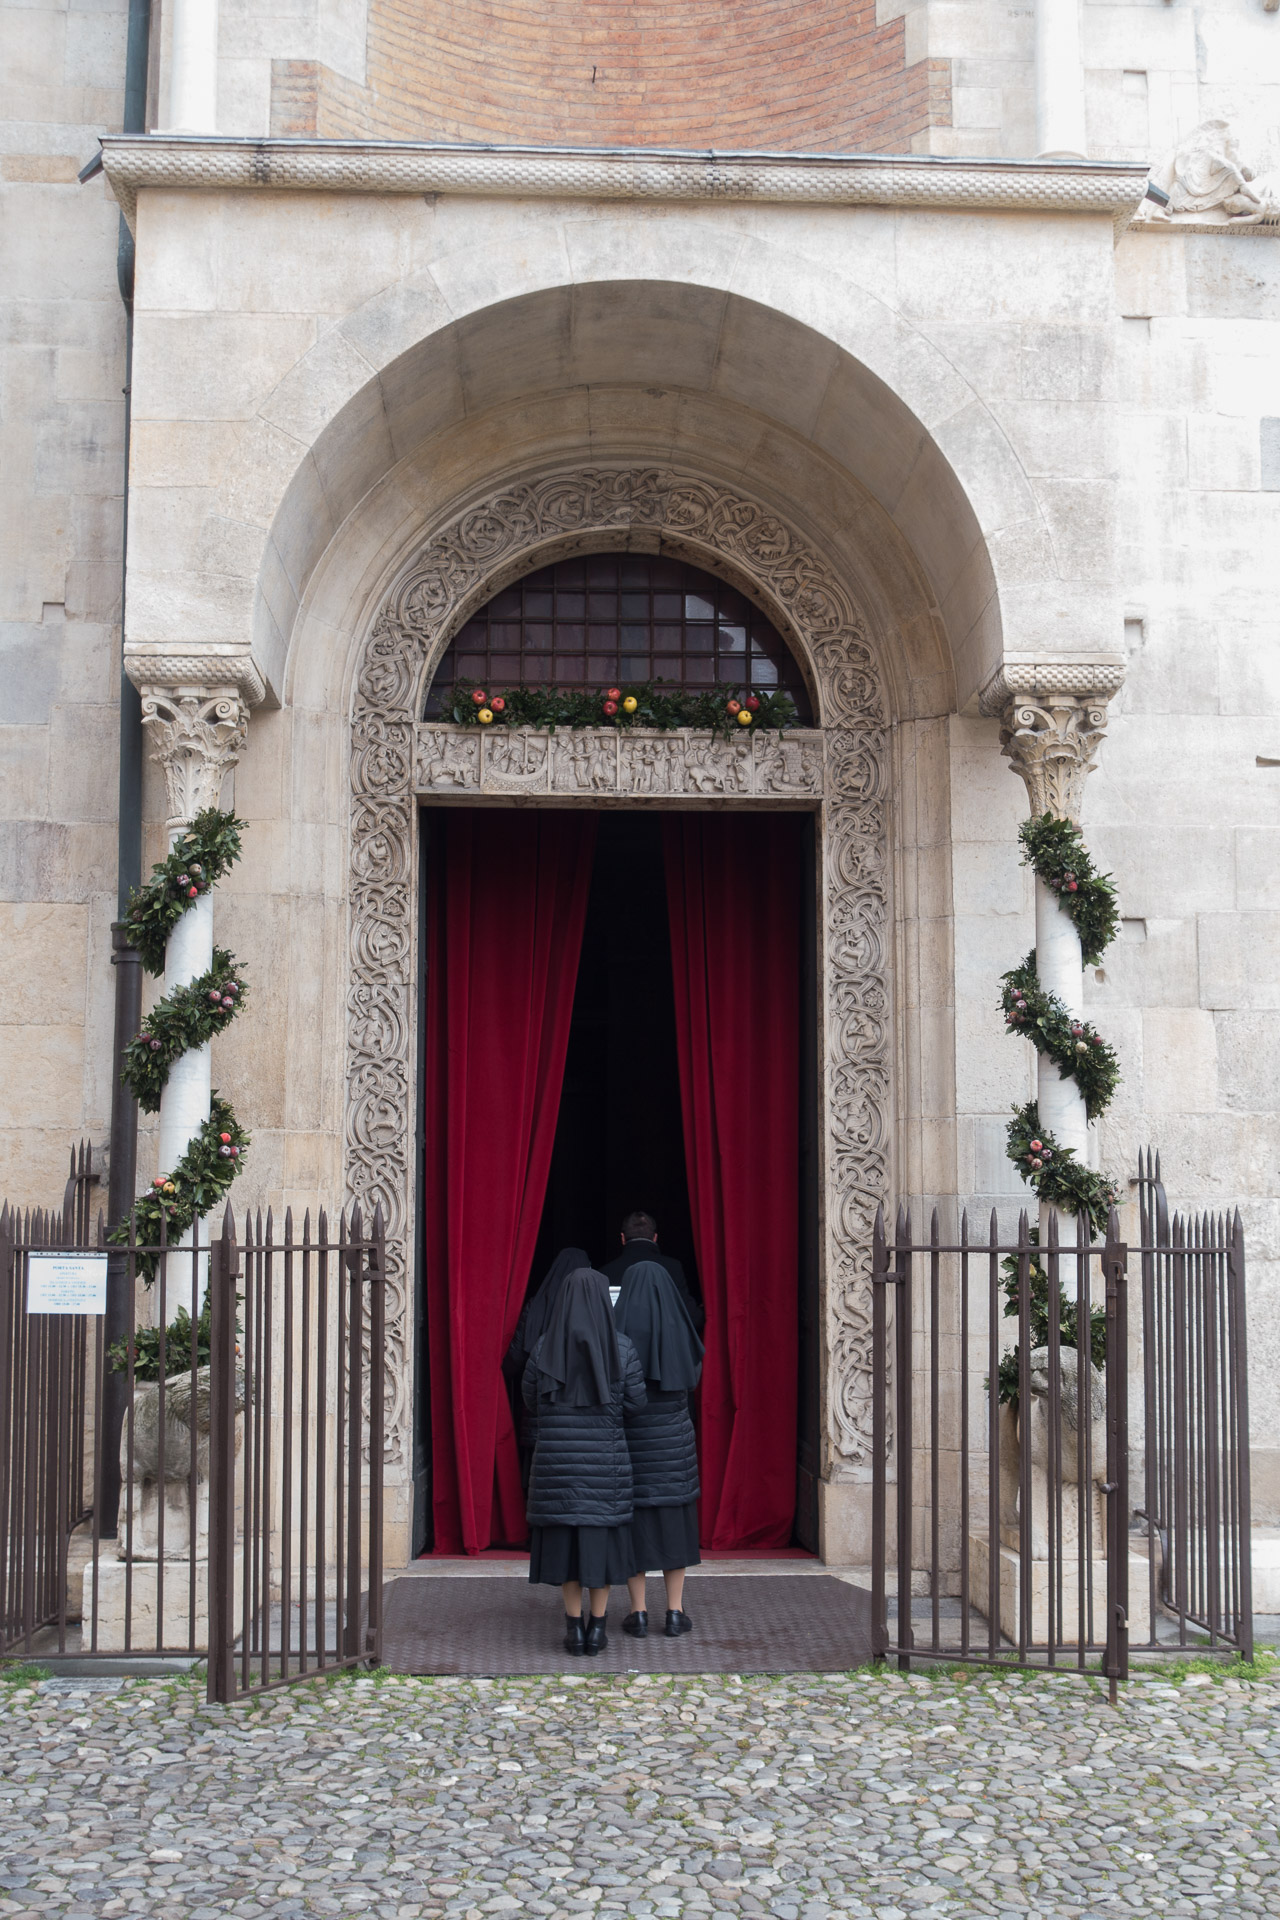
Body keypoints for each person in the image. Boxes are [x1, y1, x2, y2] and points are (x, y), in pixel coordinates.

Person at [522, 1267, 646, 1656]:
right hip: (604, 1470)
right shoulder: (622, 1349)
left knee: (568, 1551)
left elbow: (529, 1399)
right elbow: (636, 1404)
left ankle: (573, 1628)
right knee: (598, 1549)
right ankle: (598, 1627)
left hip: (557, 1469)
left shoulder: (543, 1347)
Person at [613, 1257, 704, 1640]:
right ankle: (674, 1611)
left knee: (635, 1528)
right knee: (675, 1529)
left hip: (633, 1445)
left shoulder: (617, 1337)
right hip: (674, 1448)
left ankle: (637, 1613)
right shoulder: (681, 1332)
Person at [503, 1245, 590, 1458]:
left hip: (541, 1413)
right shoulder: (593, 1310)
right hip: (585, 1415)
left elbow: (515, 1357)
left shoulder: (536, 1306)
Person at [601, 1208, 705, 1333]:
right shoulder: (672, 1267)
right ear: (655, 1237)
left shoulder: (606, 1272)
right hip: (663, 1350)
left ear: (622, 1238)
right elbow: (692, 1318)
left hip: (620, 1350)